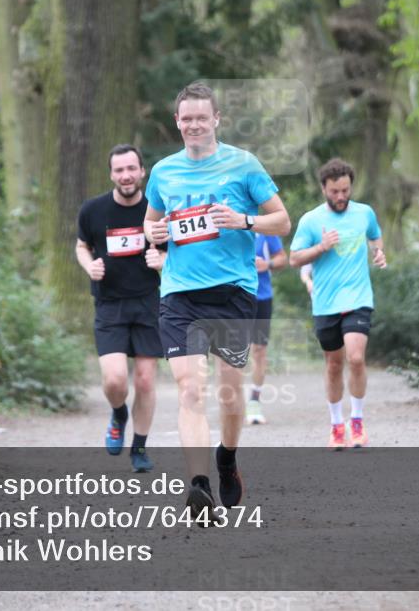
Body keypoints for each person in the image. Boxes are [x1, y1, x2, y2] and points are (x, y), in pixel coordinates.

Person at [143, 81, 291, 518]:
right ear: (177, 122)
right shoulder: (163, 172)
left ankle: (226, 457)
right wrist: (154, 236)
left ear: (216, 120)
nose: (193, 125)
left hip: (232, 293)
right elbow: (150, 228)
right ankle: (199, 485)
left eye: (201, 118)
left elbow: (282, 222)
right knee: (190, 389)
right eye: (186, 119)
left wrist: (245, 220)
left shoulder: (244, 165)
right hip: (179, 294)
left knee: (229, 393)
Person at [76, 144, 166, 473]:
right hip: (110, 304)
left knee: (144, 381)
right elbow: (82, 246)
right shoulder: (93, 210)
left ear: (142, 171)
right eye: (119, 170)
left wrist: (163, 260)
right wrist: (89, 266)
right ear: (111, 174)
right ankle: (118, 413)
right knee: (115, 381)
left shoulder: (157, 211)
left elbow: (176, 253)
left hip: (148, 303)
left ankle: (139, 449)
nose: (126, 176)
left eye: (131, 169)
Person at [289, 158, 386, 450]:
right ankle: (336, 425)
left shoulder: (364, 213)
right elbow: (294, 259)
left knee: (355, 358)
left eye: (345, 190)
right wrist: (321, 247)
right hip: (326, 302)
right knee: (334, 364)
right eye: (334, 191)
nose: (341, 197)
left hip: (358, 298)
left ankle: (357, 422)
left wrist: (379, 254)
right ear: (323, 189)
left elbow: (375, 237)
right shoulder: (310, 221)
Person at [246, 233, 286, 425]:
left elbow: (282, 259)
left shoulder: (265, 231)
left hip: (261, 298)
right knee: (228, 352)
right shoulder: (223, 226)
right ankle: (232, 402)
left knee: (259, 350)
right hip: (232, 297)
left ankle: (254, 402)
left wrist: (267, 265)